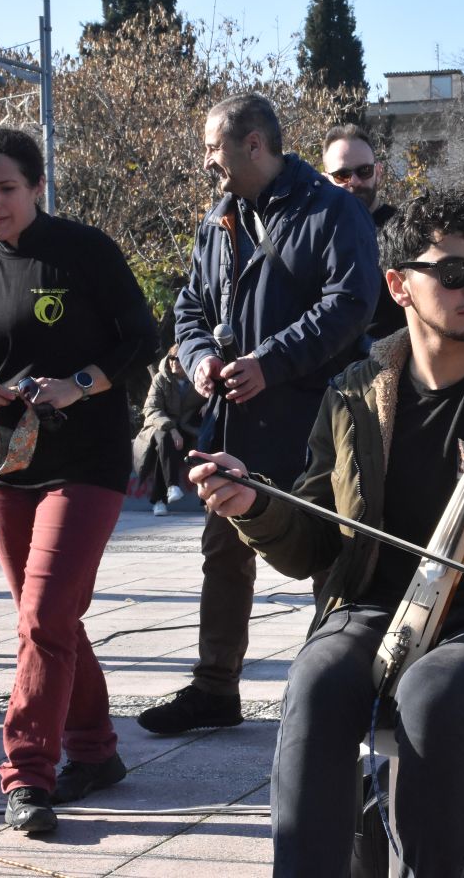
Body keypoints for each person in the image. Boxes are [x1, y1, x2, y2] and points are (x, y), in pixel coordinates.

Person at [191, 189, 464, 875]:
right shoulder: (355, 393)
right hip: (380, 613)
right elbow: (313, 542)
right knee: (315, 678)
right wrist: (253, 505)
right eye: (453, 273)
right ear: (399, 285)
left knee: (434, 693)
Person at [0, 127, 157, 833]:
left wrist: (81, 385)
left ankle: (27, 773)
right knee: (52, 618)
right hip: (3, 469)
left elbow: (141, 338)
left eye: (6, 188)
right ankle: (95, 750)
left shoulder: (85, 251)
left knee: (40, 618)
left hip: (87, 462)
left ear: (35, 186)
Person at [140, 94, 379, 736]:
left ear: (253, 145)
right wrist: (197, 361)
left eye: (214, 149)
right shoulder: (217, 221)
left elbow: (351, 302)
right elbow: (189, 306)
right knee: (223, 552)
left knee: (334, 553)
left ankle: (338, 690)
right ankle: (216, 688)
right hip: (234, 423)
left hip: (321, 425)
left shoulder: (332, 211)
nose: (207, 162)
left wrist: (270, 361)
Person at [322, 123, 405, 342]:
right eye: (342, 175)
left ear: (378, 172)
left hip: (396, 360)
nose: (355, 182)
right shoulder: (315, 236)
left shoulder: (406, 228)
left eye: (364, 171)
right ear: (325, 179)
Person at [135, 345, 205, 516]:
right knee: (165, 440)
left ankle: (162, 499)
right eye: (171, 358)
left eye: (178, 359)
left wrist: (207, 406)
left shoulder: (198, 380)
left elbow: (213, 396)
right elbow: (151, 409)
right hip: (158, 426)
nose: (174, 363)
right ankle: (170, 489)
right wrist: (171, 428)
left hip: (187, 427)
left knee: (202, 445)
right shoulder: (161, 379)